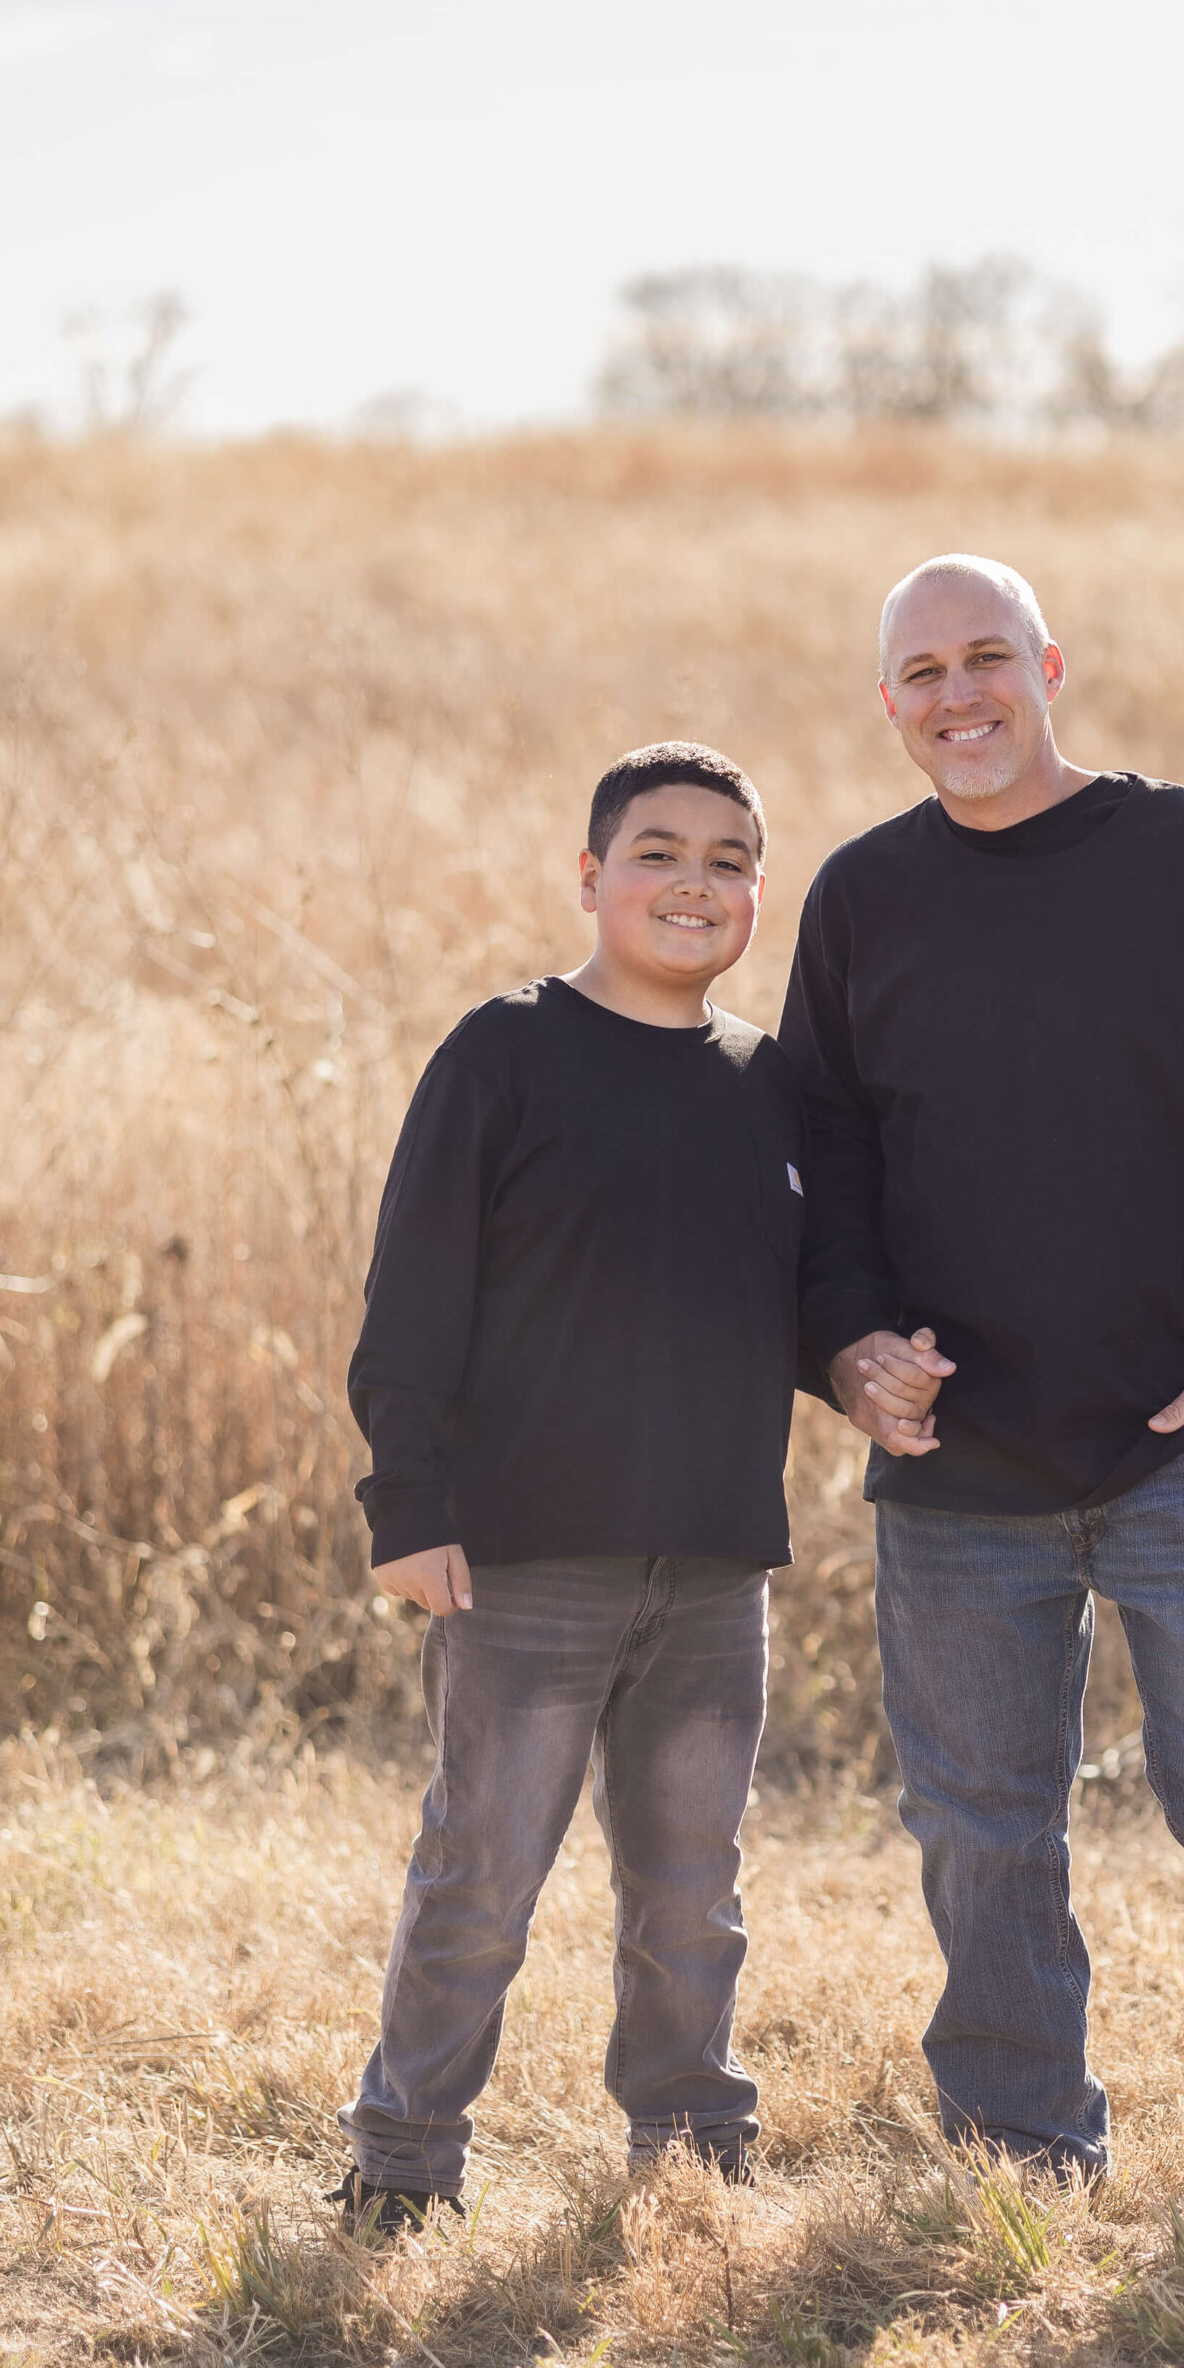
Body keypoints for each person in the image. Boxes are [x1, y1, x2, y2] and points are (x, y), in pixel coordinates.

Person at [780, 554, 1184, 2221]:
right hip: (960, 1464)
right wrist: (850, 1355)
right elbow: (821, 1167)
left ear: (1050, 666)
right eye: (920, 673)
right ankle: (1022, 2165)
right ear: (886, 704)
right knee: (982, 1833)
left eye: (987, 658)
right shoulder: (858, 900)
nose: (957, 696)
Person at [335, 742, 802, 2230]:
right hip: (529, 1559)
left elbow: (791, 1303)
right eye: (659, 852)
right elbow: (413, 1294)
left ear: (756, 893)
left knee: (690, 1894)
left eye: (728, 859)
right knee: (481, 1880)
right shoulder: (504, 1052)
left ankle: (690, 2154)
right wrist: (406, 1506)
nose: (695, 882)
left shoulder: (770, 1086)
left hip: (716, 1563)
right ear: (591, 875)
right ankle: (404, 2167)